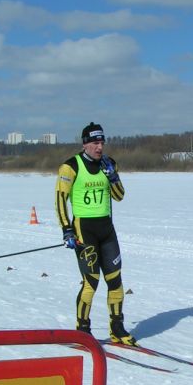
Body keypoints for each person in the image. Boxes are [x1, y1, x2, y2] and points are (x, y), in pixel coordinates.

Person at [55, 121, 137, 345]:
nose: (99, 147)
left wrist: (113, 177)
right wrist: (67, 230)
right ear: (85, 145)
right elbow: (60, 200)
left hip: (107, 231)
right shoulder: (70, 166)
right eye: (95, 143)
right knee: (91, 282)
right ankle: (83, 331)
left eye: (102, 142)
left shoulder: (109, 164)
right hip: (84, 230)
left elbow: (119, 196)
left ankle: (117, 329)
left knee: (115, 280)